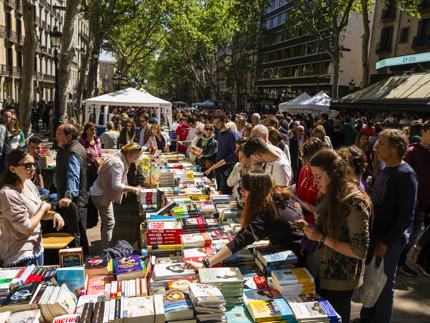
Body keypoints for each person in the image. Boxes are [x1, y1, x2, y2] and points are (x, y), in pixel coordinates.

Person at [297, 148, 372, 323]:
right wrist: (310, 228)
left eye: (318, 176)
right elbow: (329, 227)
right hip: (320, 271)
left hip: (339, 279)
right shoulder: (328, 192)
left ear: (333, 173)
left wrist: (321, 238)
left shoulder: (355, 201)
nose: (314, 182)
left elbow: (360, 250)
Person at [359, 129, 418, 323]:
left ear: (394, 148)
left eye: (382, 144)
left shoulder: (405, 174)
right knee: (371, 281)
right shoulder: (386, 169)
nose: (377, 147)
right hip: (376, 237)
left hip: (389, 241)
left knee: (383, 285)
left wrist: (386, 242)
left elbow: (406, 216)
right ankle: (367, 317)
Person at [186, 172, 303, 269]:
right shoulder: (281, 194)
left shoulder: (269, 212)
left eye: (244, 191)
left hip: (293, 259)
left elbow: (241, 240)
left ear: (256, 192)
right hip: (298, 248)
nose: (241, 194)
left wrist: (207, 263)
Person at [0, 149, 64, 266]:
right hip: (20, 255)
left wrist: (54, 214)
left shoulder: (28, 184)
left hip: (37, 248)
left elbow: (38, 215)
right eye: (27, 165)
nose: (33, 168)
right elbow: (26, 228)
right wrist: (43, 208)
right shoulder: (8, 194)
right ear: (12, 169)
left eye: (33, 164)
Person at [90, 143, 142, 248]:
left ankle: (105, 245)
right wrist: (132, 189)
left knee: (107, 221)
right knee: (109, 222)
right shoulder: (118, 163)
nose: (135, 160)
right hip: (101, 194)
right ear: (129, 154)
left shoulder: (118, 156)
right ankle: (106, 249)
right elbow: (116, 185)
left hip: (101, 192)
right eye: (135, 157)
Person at [398, 120, 430, 277]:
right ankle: (397, 262)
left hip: (425, 204)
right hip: (411, 204)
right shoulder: (411, 151)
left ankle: (402, 261)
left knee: (413, 237)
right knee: (406, 236)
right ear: (423, 132)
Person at [54, 124, 89, 252]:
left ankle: (78, 259)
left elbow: (73, 175)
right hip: (71, 198)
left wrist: (68, 196)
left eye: (59, 134)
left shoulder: (73, 150)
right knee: (77, 232)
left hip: (73, 201)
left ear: (68, 136)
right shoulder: (68, 148)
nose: (56, 137)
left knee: (74, 234)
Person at [205, 111, 239, 194]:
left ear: (225, 120)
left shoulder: (232, 134)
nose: (216, 125)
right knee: (219, 193)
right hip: (218, 170)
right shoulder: (219, 133)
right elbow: (220, 151)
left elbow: (233, 156)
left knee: (224, 194)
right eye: (215, 123)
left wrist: (212, 167)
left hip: (227, 172)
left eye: (218, 122)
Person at [296, 138, 327, 223]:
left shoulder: (325, 177)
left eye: (303, 157)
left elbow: (322, 210)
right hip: (300, 219)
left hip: (315, 225)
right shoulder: (304, 170)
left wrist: (300, 203)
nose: (301, 159)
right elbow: (299, 194)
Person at [79, 122, 102, 187]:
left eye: (95, 129)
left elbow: (99, 154)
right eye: (91, 129)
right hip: (87, 169)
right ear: (86, 130)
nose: (94, 131)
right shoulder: (81, 142)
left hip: (98, 167)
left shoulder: (97, 140)